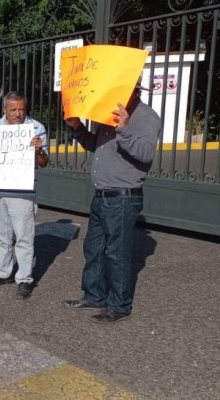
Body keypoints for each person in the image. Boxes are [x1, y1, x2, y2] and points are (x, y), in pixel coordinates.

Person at [62, 78, 161, 324]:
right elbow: (95, 145)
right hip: (102, 196)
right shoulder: (107, 113)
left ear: (133, 89)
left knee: (117, 253)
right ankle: (94, 295)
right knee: (93, 249)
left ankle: (119, 305)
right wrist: (77, 128)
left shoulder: (147, 116)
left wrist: (124, 127)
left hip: (123, 197)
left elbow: (145, 154)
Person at [0, 91, 49, 300]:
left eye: (21, 109)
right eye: (13, 109)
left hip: (22, 193)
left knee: (24, 237)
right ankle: (4, 273)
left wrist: (38, 150)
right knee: (3, 236)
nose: (18, 113)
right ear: (5, 110)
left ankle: (24, 279)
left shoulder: (36, 128)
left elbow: (44, 163)